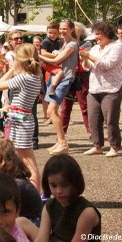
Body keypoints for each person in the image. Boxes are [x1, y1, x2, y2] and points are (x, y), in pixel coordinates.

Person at [0, 43, 42, 191]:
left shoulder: (23, 77)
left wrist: (11, 70)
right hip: (21, 116)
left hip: (20, 120)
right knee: (20, 157)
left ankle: (36, 192)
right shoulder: (35, 77)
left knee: (27, 160)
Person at [80, 21, 122, 157]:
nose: (96, 37)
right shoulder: (94, 48)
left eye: (98, 34)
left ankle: (114, 147)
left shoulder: (117, 47)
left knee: (110, 120)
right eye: (95, 34)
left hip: (112, 89)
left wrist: (89, 57)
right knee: (93, 119)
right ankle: (97, 146)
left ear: (106, 34)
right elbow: (87, 67)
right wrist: (85, 59)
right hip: (94, 89)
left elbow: (107, 64)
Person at [35, 154, 101, 241]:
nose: (58, 191)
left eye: (64, 185)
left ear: (75, 182)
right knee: (21, 221)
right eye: (53, 185)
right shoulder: (49, 206)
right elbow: (41, 239)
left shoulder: (86, 212)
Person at [39, 19, 79, 155]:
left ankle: (62, 143)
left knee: (51, 111)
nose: (62, 31)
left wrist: (38, 56)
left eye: (65, 29)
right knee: (52, 111)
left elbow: (57, 60)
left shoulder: (72, 44)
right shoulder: (64, 43)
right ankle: (60, 141)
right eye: (61, 29)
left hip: (65, 79)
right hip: (57, 78)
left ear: (71, 29)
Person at [60, 22, 91, 135]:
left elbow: (85, 57)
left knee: (84, 106)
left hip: (81, 76)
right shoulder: (65, 43)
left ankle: (91, 132)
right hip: (67, 76)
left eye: (76, 30)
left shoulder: (86, 44)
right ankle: (61, 134)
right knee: (65, 107)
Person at [40, 22, 62, 125]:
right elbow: (43, 53)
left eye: (54, 33)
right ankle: (52, 87)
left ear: (58, 33)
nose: (51, 35)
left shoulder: (60, 41)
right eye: (50, 32)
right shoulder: (45, 41)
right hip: (47, 65)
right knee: (59, 73)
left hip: (56, 65)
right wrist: (57, 56)